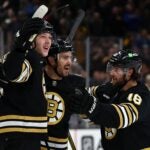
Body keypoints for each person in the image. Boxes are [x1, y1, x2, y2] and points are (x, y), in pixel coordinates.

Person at [69, 49, 150, 150]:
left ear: (129, 72)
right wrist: (72, 94)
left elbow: (119, 118)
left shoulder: (140, 95)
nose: (111, 73)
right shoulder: (111, 88)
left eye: (116, 70)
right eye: (111, 68)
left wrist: (90, 105)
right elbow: (89, 103)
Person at [0, 17, 54, 150]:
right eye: (43, 36)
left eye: (50, 37)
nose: (48, 41)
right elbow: (14, 74)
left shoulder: (23, 57)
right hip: (21, 134)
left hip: (19, 133)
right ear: (31, 39)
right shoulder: (29, 57)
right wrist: (20, 47)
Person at [40, 39, 85, 150]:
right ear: (51, 59)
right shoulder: (35, 79)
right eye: (65, 57)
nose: (70, 62)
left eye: (71, 57)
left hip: (60, 146)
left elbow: (87, 113)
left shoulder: (76, 83)